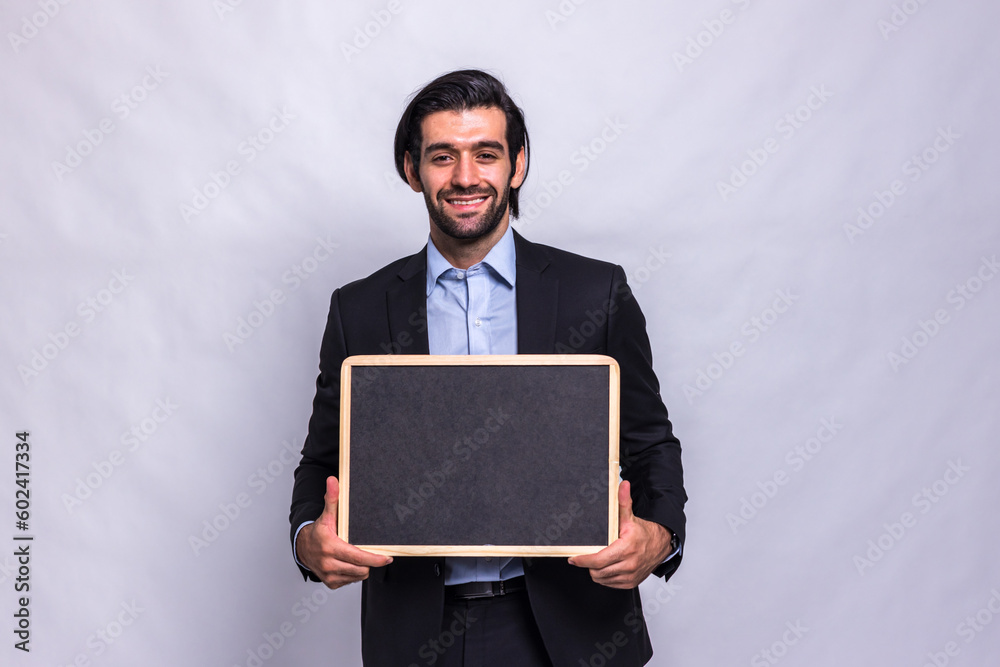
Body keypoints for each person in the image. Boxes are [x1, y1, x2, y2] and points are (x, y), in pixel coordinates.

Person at [289, 69, 686, 667]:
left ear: (517, 165)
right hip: (417, 634)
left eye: (486, 153)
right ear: (412, 169)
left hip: (572, 629)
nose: (465, 177)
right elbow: (323, 460)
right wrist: (307, 542)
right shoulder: (360, 310)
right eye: (442, 156)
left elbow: (650, 442)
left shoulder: (595, 293)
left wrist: (659, 535)